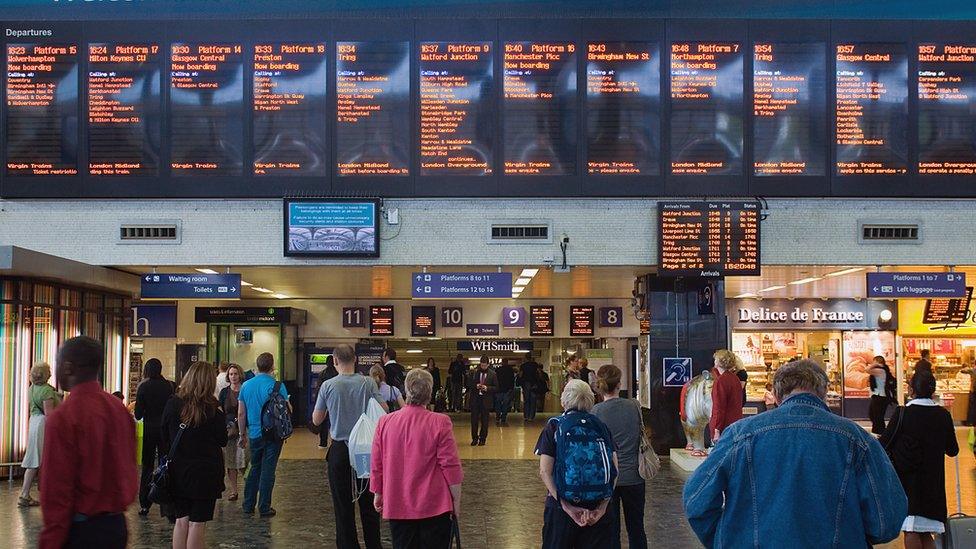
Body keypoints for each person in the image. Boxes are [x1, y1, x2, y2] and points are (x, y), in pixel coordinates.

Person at [684, 359, 907, 547]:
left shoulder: (739, 435)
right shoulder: (857, 439)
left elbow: (696, 499)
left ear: (777, 396)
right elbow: (887, 519)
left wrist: (727, 538)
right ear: (824, 393)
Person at [39, 336, 137, 549]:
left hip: (80, 530)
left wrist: (51, 539)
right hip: (115, 525)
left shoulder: (63, 417)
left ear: (67, 367)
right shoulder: (118, 409)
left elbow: (56, 488)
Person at [371, 368, 463, 549]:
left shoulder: (385, 422)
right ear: (430, 393)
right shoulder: (440, 422)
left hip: (398, 504)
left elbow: (377, 462)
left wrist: (378, 492)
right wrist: (456, 501)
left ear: (406, 390)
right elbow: (450, 466)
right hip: (435, 505)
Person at [313, 344, 387, 549]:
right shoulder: (368, 382)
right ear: (355, 360)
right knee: (368, 501)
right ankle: (374, 545)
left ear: (335, 360)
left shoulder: (328, 386)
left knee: (342, 503)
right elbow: (384, 409)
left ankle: (347, 545)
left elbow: (317, 419)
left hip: (340, 449)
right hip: (364, 449)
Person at [880, 371, 959, 549]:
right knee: (925, 532)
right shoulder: (943, 415)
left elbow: (884, 443)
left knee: (911, 530)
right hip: (934, 483)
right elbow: (953, 450)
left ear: (911, 390)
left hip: (909, 482)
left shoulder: (903, 414)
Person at [536, 380, 618, 548]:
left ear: (563, 400)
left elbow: (545, 471)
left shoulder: (554, 426)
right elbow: (615, 469)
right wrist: (602, 507)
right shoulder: (600, 426)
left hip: (561, 509)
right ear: (591, 400)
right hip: (597, 509)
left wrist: (566, 506)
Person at [161, 361, 228, 549]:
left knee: (181, 520)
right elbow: (222, 440)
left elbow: (164, 435)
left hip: (177, 471)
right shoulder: (213, 410)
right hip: (206, 473)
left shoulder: (173, 403)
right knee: (197, 523)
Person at [592, 364, 646, 549]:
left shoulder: (596, 412)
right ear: (619, 383)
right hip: (635, 475)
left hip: (608, 478)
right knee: (636, 527)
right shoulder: (634, 406)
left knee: (610, 529)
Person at [237, 352, 289, 517]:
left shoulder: (246, 386)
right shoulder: (277, 385)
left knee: (254, 467)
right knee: (268, 470)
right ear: (272, 366)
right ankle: (264, 507)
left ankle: (248, 504)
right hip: (273, 434)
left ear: (257, 366)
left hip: (254, 433)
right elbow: (287, 410)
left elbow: (241, 414)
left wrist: (241, 434)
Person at [135, 357, 175, 516]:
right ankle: (166, 504)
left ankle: (145, 503)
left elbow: (138, 415)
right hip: (166, 431)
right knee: (166, 465)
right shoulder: (169, 386)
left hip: (150, 430)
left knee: (147, 467)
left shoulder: (143, 388)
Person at [19, 362, 60, 507]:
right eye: (49, 371)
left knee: (33, 458)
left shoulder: (32, 388)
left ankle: (25, 493)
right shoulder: (47, 391)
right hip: (43, 424)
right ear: (45, 374)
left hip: (34, 422)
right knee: (42, 459)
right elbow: (49, 413)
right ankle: (32, 494)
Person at [218, 364, 248, 501]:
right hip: (229, 430)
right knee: (230, 461)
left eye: (235, 374)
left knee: (245, 459)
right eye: (231, 374)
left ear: (240, 375)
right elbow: (220, 410)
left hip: (244, 428)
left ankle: (249, 487)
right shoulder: (224, 392)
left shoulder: (246, 390)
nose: (233, 377)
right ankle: (234, 490)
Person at [709, 350, 744, 443]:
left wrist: (717, 429)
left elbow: (719, 407)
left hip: (724, 427)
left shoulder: (720, 380)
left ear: (718, 362)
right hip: (735, 424)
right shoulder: (735, 378)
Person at [466, 355, 497, 446]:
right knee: (474, 420)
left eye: (485, 365)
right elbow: (468, 384)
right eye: (482, 365)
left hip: (486, 400)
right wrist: (475, 386)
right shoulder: (474, 372)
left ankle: (483, 439)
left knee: (485, 421)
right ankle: (474, 438)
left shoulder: (493, 374)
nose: (483, 367)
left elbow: (496, 387)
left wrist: (487, 388)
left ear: (488, 364)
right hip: (476, 399)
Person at [868, 355, 896, 435]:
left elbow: (867, 369)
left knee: (877, 416)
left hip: (880, 396)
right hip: (879, 396)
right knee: (876, 415)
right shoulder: (882, 370)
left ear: (878, 362)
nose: (872, 363)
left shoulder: (880, 371)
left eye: (874, 361)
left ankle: (880, 433)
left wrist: (875, 364)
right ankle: (880, 432)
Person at [519, 354, 541, 421]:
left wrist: (520, 382)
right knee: (533, 401)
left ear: (525, 358)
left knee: (526, 401)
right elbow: (539, 373)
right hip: (534, 384)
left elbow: (520, 375)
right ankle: (531, 417)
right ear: (531, 358)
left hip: (526, 384)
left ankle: (526, 416)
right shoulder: (535, 364)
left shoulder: (523, 366)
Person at [494, 358, 516, 425]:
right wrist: (511, 389)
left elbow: (495, 380)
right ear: (507, 362)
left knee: (498, 403)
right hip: (507, 390)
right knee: (505, 405)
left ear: (502, 362)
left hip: (499, 390)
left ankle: (498, 416)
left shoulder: (498, 370)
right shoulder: (510, 370)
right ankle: (503, 418)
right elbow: (512, 380)